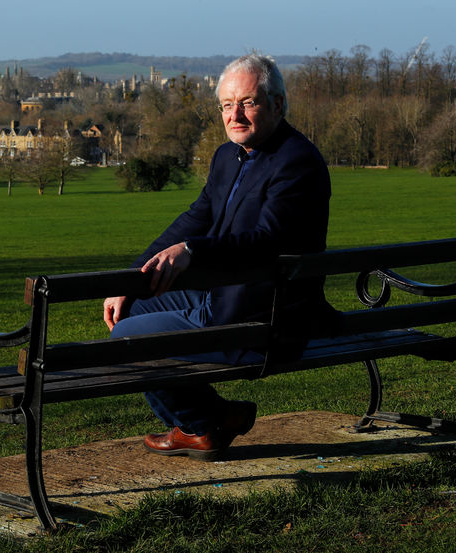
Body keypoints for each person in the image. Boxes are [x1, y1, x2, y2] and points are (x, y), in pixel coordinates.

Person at [103, 54, 331, 461]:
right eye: (227, 105)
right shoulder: (228, 156)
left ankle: (202, 424)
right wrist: (131, 278)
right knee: (131, 306)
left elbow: (268, 240)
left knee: (126, 340)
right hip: (222, 296)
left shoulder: (297, 162)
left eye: (247, 102)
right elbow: (197, 216)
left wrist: (192, 252)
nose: (235, 114)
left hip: (261, 316)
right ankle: (213, 418)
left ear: (278, 104)